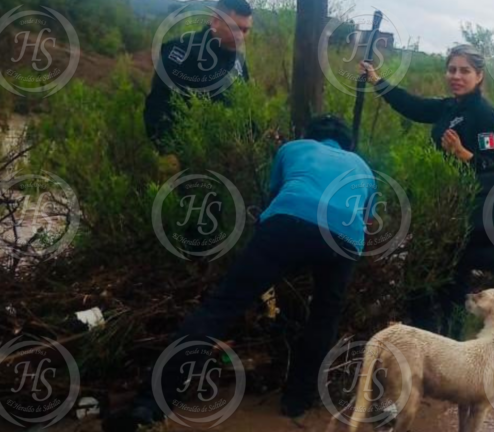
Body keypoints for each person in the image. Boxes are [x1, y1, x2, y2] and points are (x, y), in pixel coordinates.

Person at [103, 116, 376, 431]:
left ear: (309, 134)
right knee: (324, 317)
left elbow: (275, 195)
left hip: (288, 222)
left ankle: (150, 405)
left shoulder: (293, 148)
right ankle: (296, 402)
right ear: (347, 144)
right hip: (344, 240)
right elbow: (366, 220)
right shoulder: (364, 167)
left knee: (221, 307)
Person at [360, 44, 494, 339]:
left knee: (451, 284)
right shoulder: (450, 107)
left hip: (462, 217)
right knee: (416, 279)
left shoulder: (485, 116)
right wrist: (377, 80)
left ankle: (452, 348)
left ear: (479, 76)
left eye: (464, 71)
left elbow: (490, 168)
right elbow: (414, 106)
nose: (456, 76)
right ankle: (424, 343)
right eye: (452, 69)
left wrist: (462, 153)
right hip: (436, 211)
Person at [144, 0, 253, 150]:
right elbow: (159, 105)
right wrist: (168, 153)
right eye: (235, 28)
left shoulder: (238, 61)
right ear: (215, 21)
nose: (240, 37)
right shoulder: (183, 52)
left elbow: (245, 108)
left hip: (231, 155)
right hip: (191, 153)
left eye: (245, 30)